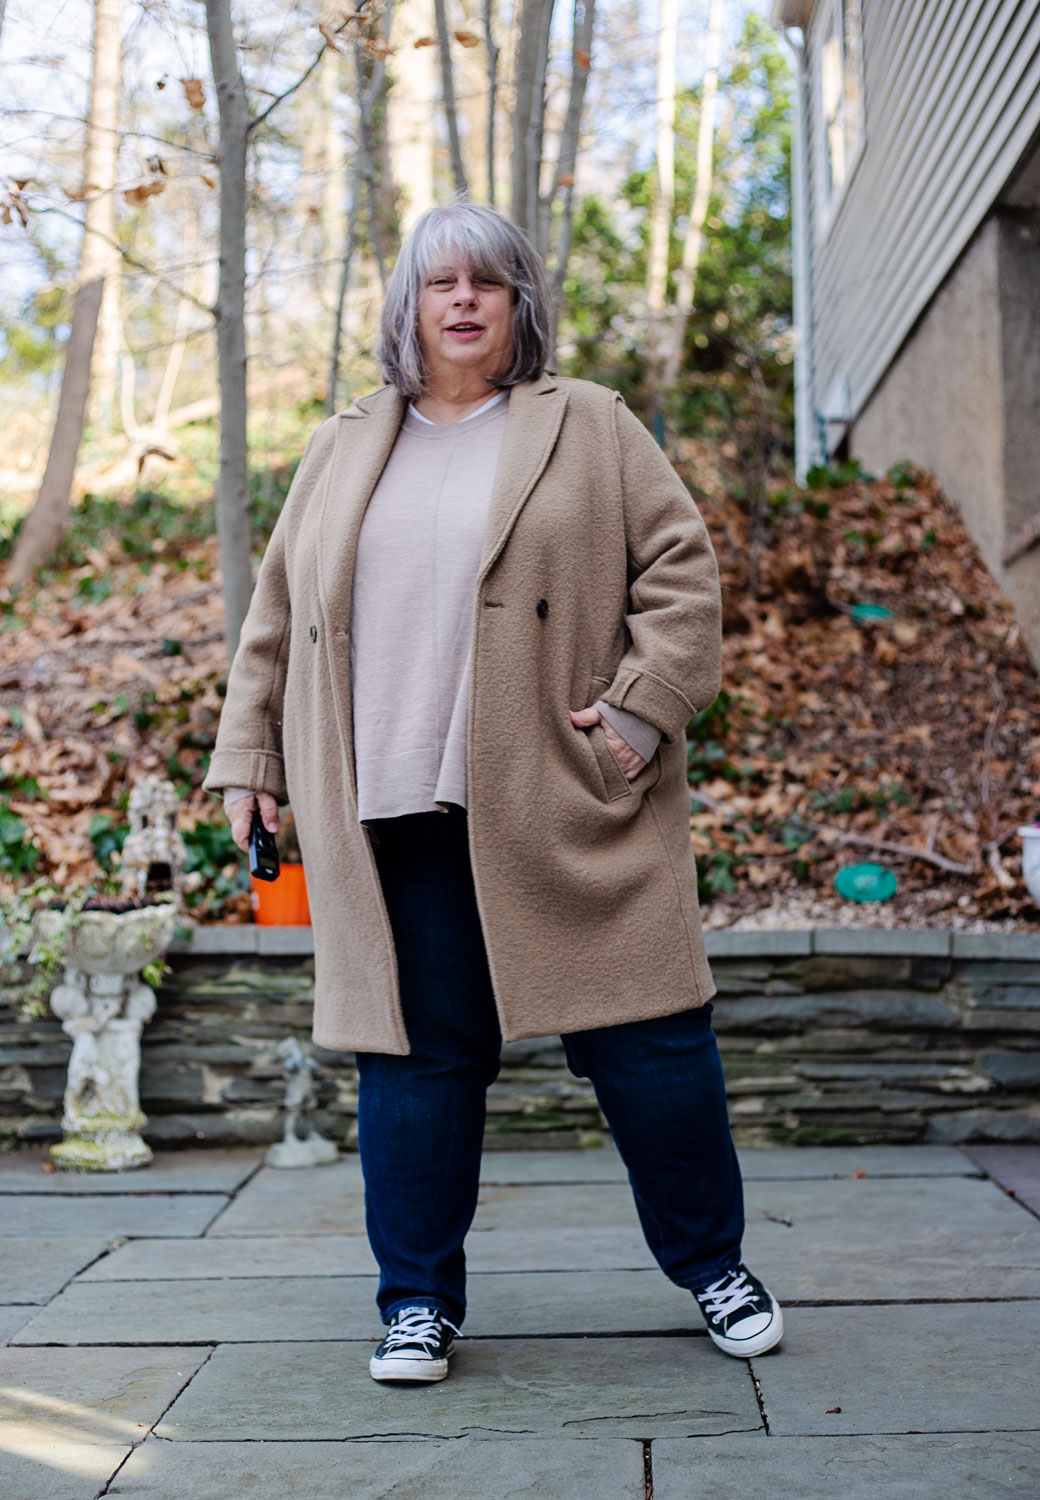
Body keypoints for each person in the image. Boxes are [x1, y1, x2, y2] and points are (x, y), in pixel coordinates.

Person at [203, 202, 783, 1384]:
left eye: (487, 281)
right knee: (414, 1062)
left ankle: (714, 1267)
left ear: (519, 303)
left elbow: (680, 572)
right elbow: (276, 618)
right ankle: (416, 1302)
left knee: (650, 1045)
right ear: (408, 306)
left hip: (563, 794)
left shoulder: (589, 424)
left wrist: (636, 712)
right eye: (439, 282)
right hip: (388, 805)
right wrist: (251, 762)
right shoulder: (341, 444)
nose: (462, 299)